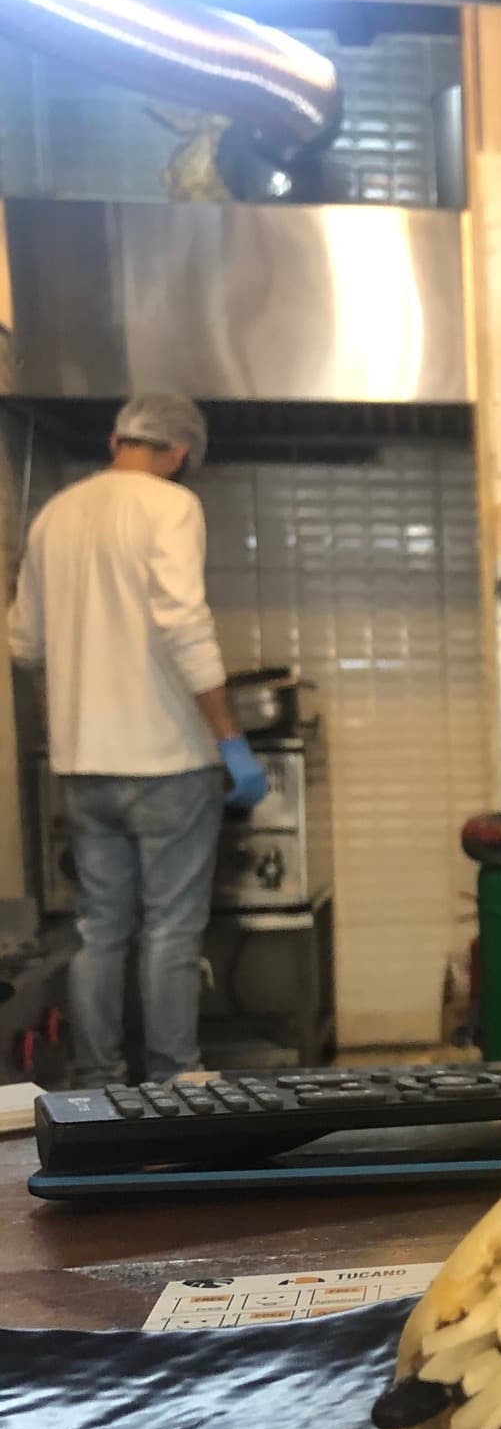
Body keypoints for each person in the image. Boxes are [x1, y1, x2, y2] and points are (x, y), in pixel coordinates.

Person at [7, 394, 268, 1086]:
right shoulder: (170, 507)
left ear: (118, 436)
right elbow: (184, 624)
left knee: (99, 930)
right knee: (171, 930)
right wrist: (230, 740)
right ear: (181, 453)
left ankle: (96, 1083)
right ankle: (174, 1078)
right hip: (166, 760)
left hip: (83, 761)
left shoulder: (53, 515)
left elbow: (23, 642)